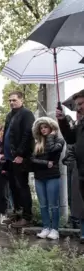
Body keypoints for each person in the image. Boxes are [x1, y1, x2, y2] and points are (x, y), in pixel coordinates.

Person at [1, 91, 35, 227]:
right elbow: (7, 135)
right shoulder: (10, 115)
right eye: (10, 100)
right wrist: (3, 151)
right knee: (13, 188)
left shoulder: (26, 114)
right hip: (9, 158)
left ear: (22, 100)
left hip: (20, 158)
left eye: (14, 100)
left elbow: (28, 134)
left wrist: (21, 154)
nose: (11, 102)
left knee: (22, 186)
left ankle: (27, 217)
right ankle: (17, 214)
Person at [30, 117, 65, 240]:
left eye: (45, 127)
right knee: (43, 205)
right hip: (39, 177)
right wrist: (45, 163)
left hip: (52, 176)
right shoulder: (38, 143)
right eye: (41, 128)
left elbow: (52, 150)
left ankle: (55, 229)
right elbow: (32, 159)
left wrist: (51, 136)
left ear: (52, 128)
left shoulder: (59, 140)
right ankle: (46, 227)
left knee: (53, 205)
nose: (43, 130)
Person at [57, 90, 84, 241]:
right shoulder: (81, 124)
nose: (78, 108)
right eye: (77, 105)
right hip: (81, 172)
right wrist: (62, 120)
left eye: (80, 104)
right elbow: (71, 138)